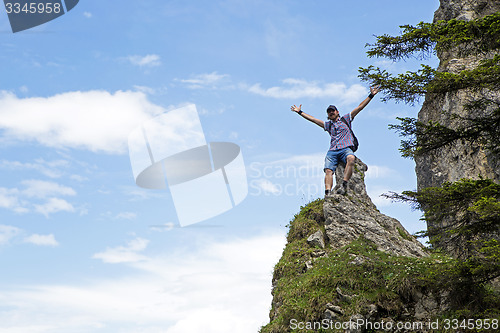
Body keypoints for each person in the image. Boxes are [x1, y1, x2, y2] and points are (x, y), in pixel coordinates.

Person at [291, 86, 380, 196]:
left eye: (333, 111)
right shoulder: (328, 125)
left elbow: (359, 107)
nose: (331, 113)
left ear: (337, 112)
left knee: (351, 158)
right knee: (328, 170)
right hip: (332, 151)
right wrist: (300, 112)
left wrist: (371, 95)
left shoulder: (346, 119)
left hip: (345, 148)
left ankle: (344, 184)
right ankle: (327, 193)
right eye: (329, 112)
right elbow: (313, 119)